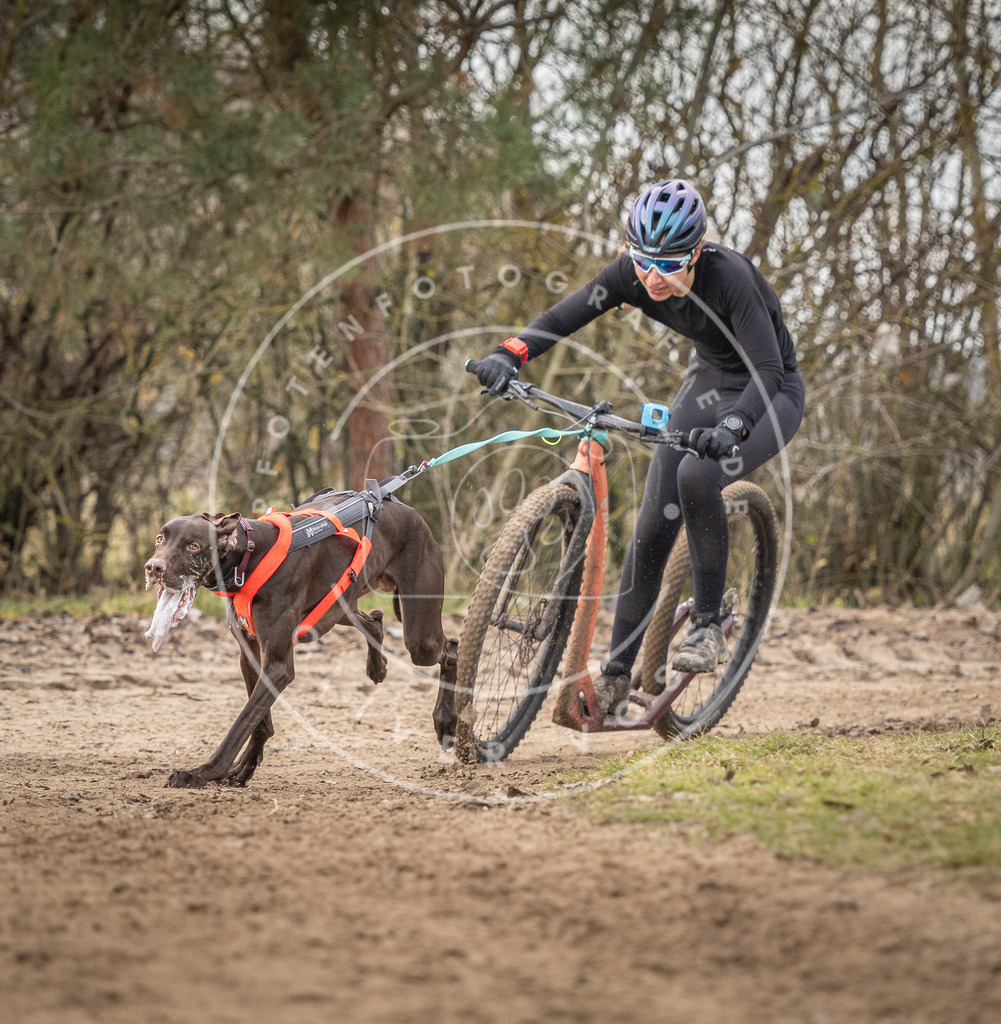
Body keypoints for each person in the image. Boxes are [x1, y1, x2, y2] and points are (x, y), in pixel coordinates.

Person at [474, 178, 805, 714]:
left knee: (697, 475)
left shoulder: (731, 279)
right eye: (643, 260)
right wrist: (510, 353)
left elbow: (768, 370)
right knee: (652, 523)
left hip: (769, 394)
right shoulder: (630, 275)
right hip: (708, 381)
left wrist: (734, 428)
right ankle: (615, 675)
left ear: (696, 253)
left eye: (668, 265)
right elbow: (564, 316)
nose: (652, 276)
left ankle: (706, 623)